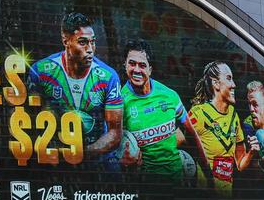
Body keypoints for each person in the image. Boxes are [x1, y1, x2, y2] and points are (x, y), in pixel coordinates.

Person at [28, 12, 123, 169]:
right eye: (83, 42)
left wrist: (82, 154)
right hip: (55, 160)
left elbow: (114, 134)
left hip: (97, 161)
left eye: (93, 42)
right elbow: (30, 123)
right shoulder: (41, 72)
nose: (90, 49)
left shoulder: (108, 77)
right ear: (66, 41)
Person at [118, 40, 195, 180]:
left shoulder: (169, 95)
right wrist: (122, 161)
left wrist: (207, 176)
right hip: (145, 187)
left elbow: (189, 137)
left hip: (177, 183)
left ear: (150, 69)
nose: (136, 70)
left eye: (142, 65)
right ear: (125, 65)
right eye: (132, 63)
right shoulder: (119, 103)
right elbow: (113, 145)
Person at [187, 61, 254, 193]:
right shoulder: (198, 113)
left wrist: (252, 152)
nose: (234, 85)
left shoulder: (234, 116)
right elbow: (175, 142)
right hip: (203, 199)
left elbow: (240, 165)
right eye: (229, 78)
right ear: (216, 84)